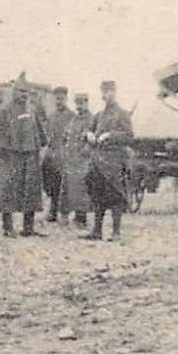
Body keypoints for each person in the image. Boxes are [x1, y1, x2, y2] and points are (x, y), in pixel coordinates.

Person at [0, 81, 48, 237]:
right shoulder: (3, 111)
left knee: (31, 191)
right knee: (8, 191)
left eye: (26, 92)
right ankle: (7, 227)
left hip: (30, 156)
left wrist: (39, 151)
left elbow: (41, 136)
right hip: (11, 157)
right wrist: (4, 154)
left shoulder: (32, 110)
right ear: (13, 92)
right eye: (21, 91)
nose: (24, 95)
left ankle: (28, 227)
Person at [85, 80, 135, 241]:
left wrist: (111, 135)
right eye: (104, 91)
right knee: (97, 196)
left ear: (115, 92)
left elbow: (129, 136)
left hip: (114, 161)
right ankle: (97, 231)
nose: (107, 94)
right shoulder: (98, 115)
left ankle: (116, 232)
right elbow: (88, 131)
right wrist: (88, 135)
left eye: (110, 91)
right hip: (98, 161)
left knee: (115, 196)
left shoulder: (123, 114)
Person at [62, 91, 94, 228]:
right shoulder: (74, 119)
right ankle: (66, 216)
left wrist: (85, 150)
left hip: (83, 160)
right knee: (69, 188)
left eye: (82, 103)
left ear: (87, 103)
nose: (79, 106)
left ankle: (81, 219)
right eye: (77, 103)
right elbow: (66, 134)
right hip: (71, 159)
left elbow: (91, 138)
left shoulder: (91, 119)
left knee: (81, 189)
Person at [43, 86, 74, 223]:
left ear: (66, 99)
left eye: (61, 99)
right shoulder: (50, 116)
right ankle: (53, 210)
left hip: (65, 154)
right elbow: (47, 135)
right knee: (52, 184)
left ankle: (64, 213)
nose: (59, 101)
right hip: (52, 154)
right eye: (56, 99)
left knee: (65, 185)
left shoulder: (71, 116)